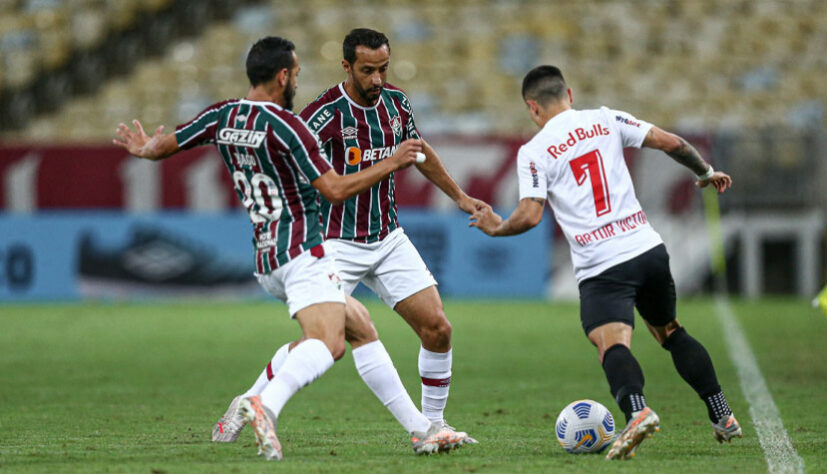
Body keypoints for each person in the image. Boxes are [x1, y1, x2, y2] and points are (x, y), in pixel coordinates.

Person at [112, 36, 429, 460]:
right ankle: (266, 404)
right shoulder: (287, 126)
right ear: (283, 76)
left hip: (266, 256)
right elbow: (334, 190)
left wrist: (143, 149)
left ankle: (423, 430)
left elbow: (163, 146)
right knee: (329, 344)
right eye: (296, 73)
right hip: (303, 251)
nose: (297, 80)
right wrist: (392, 161)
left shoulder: (221, 115)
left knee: (360, 327)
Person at [213, 28, 484, 448]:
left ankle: (434, 426)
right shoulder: (322, 115)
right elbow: (290, 164)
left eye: (382, 69)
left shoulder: (396, 104)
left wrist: (462, 198)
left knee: (438, 328)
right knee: (327, 340)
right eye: (367, 71)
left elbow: (419, 152)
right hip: (334, 243)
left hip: (387, 235)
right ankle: (250, 399)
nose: (377, 79)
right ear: (347, 67)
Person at [468, 65, 742, 460]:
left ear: (533, 108)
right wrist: (706, 172)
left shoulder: (534, 151)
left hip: (602, 264)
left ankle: (637, 411)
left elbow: (529, 216)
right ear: (570, 94)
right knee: (670, 332)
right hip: (647, 248)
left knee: (609, 344)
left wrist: (496, 228)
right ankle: (723, 416)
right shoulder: (606, 118)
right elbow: (673, 142)